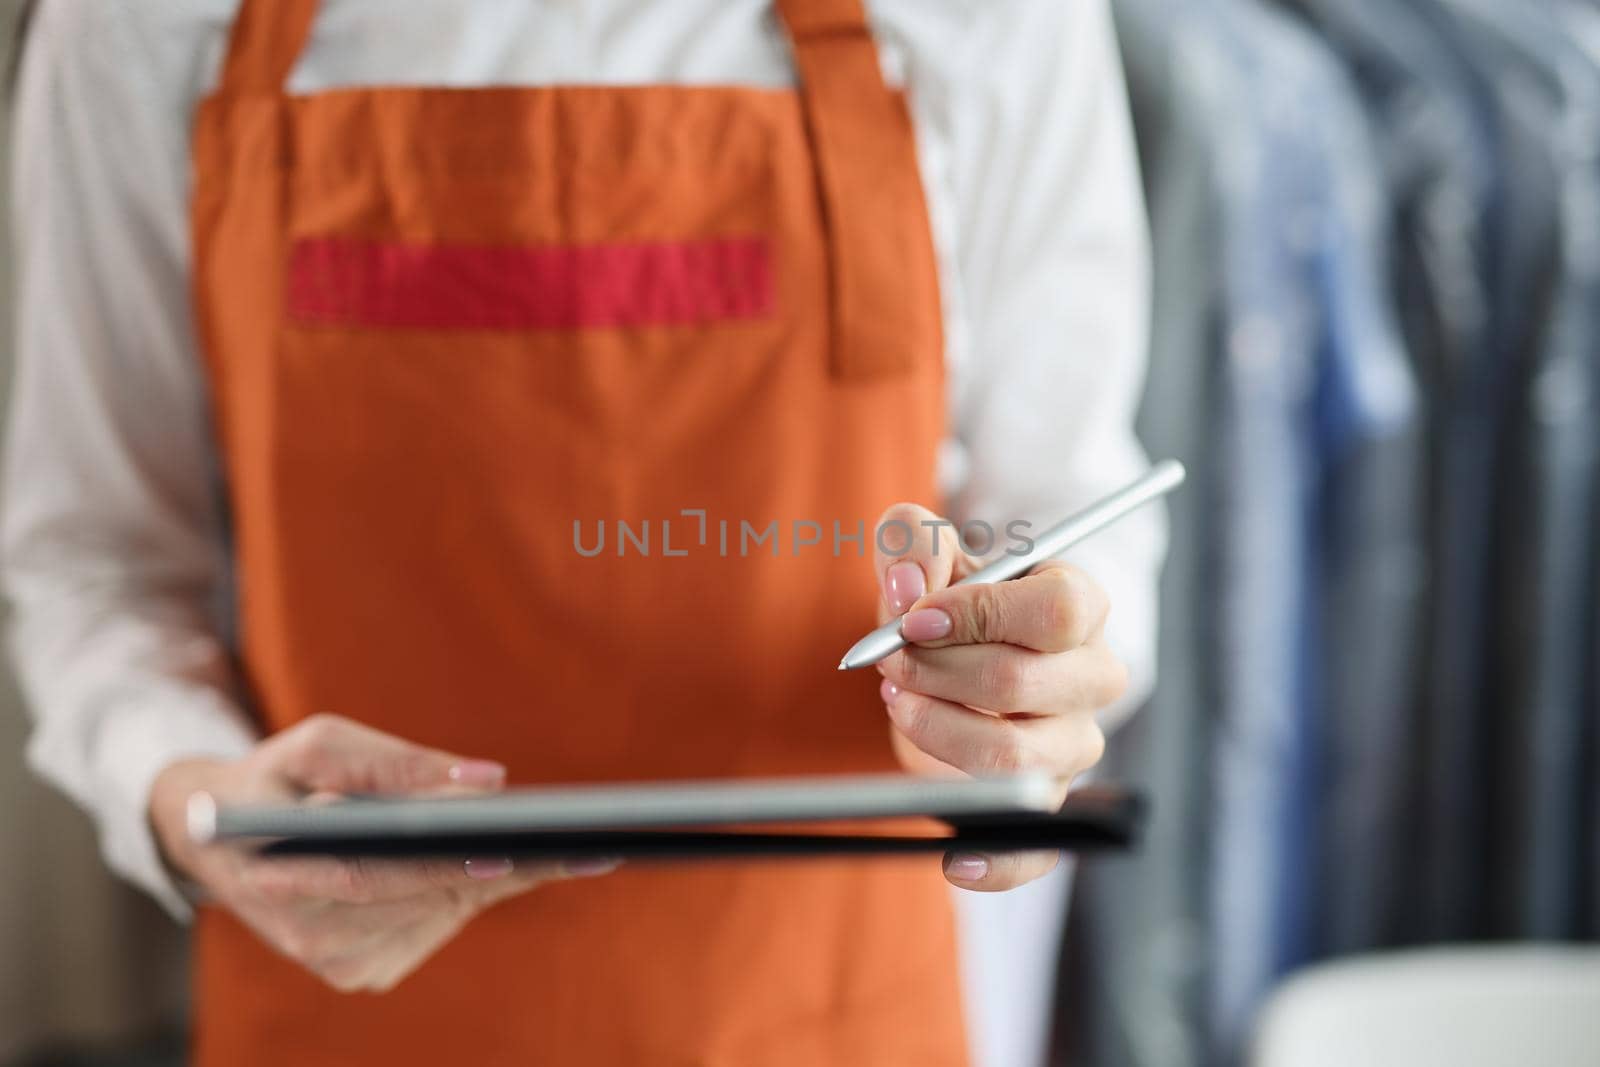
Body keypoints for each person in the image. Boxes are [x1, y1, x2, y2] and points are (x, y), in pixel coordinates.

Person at [4, 1, 1162, 1064]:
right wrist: (191, 794)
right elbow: (92, 565)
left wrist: (1020, 686)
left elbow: (1069, 518)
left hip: (825, 1012)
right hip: (345, 1007)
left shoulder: (993, 18)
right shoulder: (142, 25)